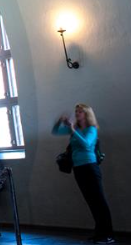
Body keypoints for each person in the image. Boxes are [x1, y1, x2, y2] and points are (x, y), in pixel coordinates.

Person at [53, 104, 114, 244]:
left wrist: (73, 130)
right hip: (78, 168)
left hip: (90, 167)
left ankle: (108, 234)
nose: (77, 113)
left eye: (80, 111)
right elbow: (55, 131)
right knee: (91, 201)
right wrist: (59, 122)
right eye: (76, 111)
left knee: (99, 201)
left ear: (86, 114)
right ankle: (99, 232)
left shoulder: (91, 129)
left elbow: (87, 144)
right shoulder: (76, 130)